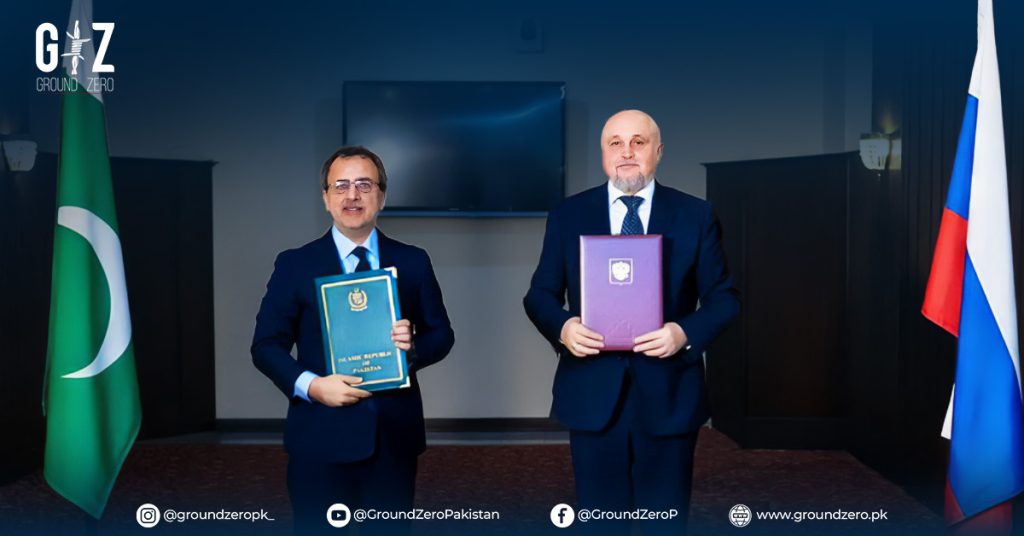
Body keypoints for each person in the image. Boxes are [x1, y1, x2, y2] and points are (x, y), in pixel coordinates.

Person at [523, 110, 739, 534]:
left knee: (664, 521)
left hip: (670, 392)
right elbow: (540, 296)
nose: (627, 152)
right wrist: (564, 328)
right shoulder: (568, 214)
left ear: (658, 152)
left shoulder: (695, 215)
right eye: (615, 143)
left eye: (638, 142)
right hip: (591, 393)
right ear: (602, 153)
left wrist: (684, 333)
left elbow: (724, 299)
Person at [252, 146, 454, 535]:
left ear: (382, 196)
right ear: (326, 198)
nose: (352, 195)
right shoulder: (295, 264)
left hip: (393, 438)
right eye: (340, 185)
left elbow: (442, 335)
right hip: (319, 437)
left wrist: (413, 348)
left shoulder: (413, 260)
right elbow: (265, 346)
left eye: (364, 184)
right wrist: (312, 386)